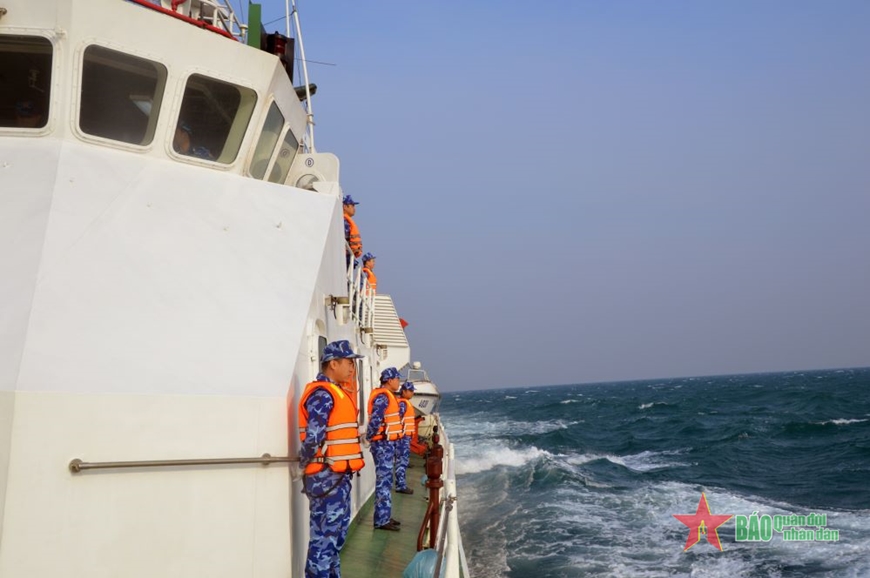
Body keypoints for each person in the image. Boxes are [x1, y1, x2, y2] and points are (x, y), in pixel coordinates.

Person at [298, 340, 366, 578]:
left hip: (338, 478)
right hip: (326, 479)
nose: (352, 368)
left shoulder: (336, 392)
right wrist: (304, 464)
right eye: (349, 363)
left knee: (334, 540)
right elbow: (313, 437)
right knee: (323, 543)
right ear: (333, 364)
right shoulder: (322, 394)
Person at [366, 367, 403, 531]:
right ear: (389, 380)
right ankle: (381, 520)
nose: (399, 382)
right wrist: (369, 437)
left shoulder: (388, 396)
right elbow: (375, 419)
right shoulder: (382, 397)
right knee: (383, 481)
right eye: (397, 379)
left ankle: (385, 515)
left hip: (387, 444)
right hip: (382, 444)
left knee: (387, 481)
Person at [394, 381, 416, 494]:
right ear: (404, 391)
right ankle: (400, 485)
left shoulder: (405, 403)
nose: (412, 393)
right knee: (401, 461)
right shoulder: (402, 404)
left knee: (403, 460)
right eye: (410, 391)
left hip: (405, 437)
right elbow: (398, 419)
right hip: (402, 438)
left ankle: (401, 483)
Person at [343, 195, 363, 263]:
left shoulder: (347, 221)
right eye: (352, 206)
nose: (354, 209)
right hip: (345, 257)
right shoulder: (344, 221)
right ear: (345, 207)